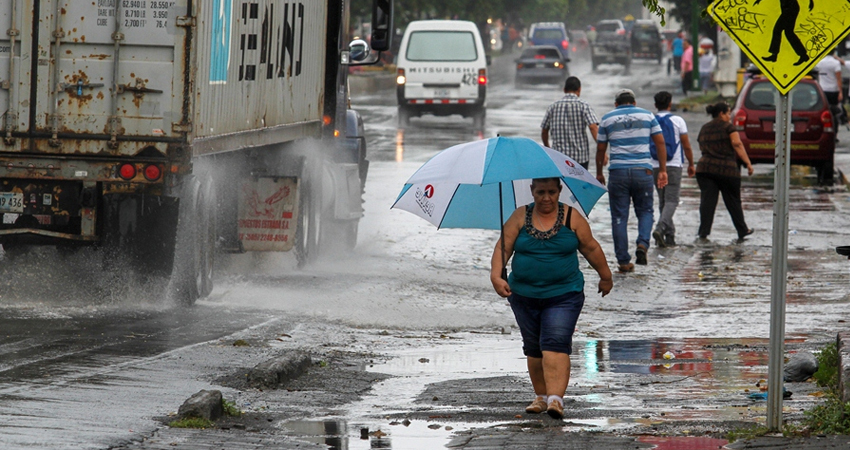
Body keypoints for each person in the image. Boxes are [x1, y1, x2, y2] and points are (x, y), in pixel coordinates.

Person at [490, 177, 612, 420]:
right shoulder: (518, 216)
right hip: (523, 295)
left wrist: (605, 276)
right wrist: (496, 276)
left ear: (559, 191)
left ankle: (556, 400)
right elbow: (503, 248)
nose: (546, 197)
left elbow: (590, 248)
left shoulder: (572, 217)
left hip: (564, 294)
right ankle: (541, 397)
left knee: (554, 342)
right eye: (541, 192)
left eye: (552, 192)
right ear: (532, 191)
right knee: (534, 348)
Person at [596, 89, 668, 273]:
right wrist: (662, 170)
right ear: (634, 103)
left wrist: (599, 173)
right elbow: (660, 143)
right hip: (643, 172)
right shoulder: (647, 116)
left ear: (616, 104)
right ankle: (642, 244)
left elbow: (601, 149)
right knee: (645, 211)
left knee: (619, 217)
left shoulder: (607, 119)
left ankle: (623, 261)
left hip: (618, 173)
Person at [695, 102, 755, 241]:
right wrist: (747, 163)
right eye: (728, 113)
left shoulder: (704, 128)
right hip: (727, 170)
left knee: (707, 201)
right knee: (733, 201)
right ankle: (742, 230)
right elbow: (737, 144)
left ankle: (703, 232)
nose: (729, 116)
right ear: (721, 114)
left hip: (705, 169)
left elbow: (701, 145)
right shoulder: (728, 127)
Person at [651, 91, 695, 248]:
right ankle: (661, 228)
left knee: (663, 201)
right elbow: (686, 145)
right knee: (672, 200)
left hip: (655, 165)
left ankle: (669, 236)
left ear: (656, 105)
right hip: (674, 165)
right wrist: (691, 163)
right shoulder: (677, 120)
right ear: (670, 104)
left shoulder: (651, 120)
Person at [541, 77, 600, 169]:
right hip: (580, 159)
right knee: (580, 183)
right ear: (579, 89)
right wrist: (602, 150)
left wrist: (548, 149)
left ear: (564, 90)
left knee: (562, 183)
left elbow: (544, 131)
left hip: (559, 158)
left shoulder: (552, 107)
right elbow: (593, 127)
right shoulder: (584, 106)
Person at [755, 0, 811, 66]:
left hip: (790, 9)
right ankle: (803, 55)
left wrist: (811, 2)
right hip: (788, 9)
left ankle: (774, 55)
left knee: (777, 30)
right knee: (788, 32)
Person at [816, 51, 843, 130]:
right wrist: (840, 92)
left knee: (823, 111)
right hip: (833, 90)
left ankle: (824, 129)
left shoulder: (820, 62)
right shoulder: (835, 63)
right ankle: (834, 131)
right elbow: (838, 78)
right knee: (834, 112)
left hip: (822, 89)